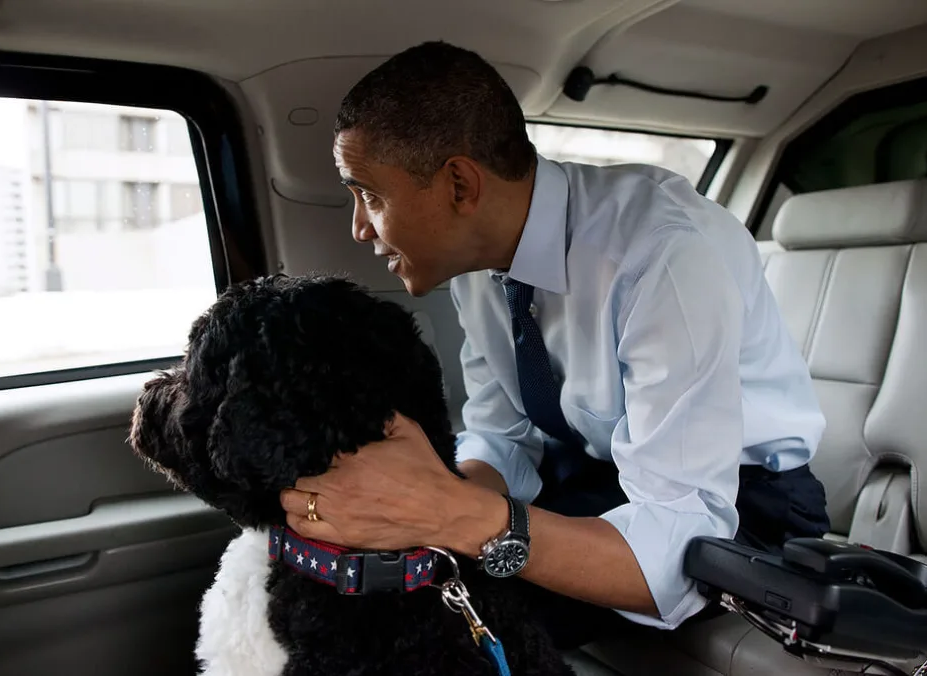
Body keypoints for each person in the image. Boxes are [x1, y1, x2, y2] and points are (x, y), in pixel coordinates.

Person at [278, 40, 830, 648]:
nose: (359, 227)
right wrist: (430, 499)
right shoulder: (480, 264)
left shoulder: (664, 256)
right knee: (388, 593)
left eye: (371, 196)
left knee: (444, 633)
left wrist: (449, 514)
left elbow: (675, 547)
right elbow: (505, 432)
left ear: (460, 185)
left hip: (744, 509)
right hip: (599, 475)